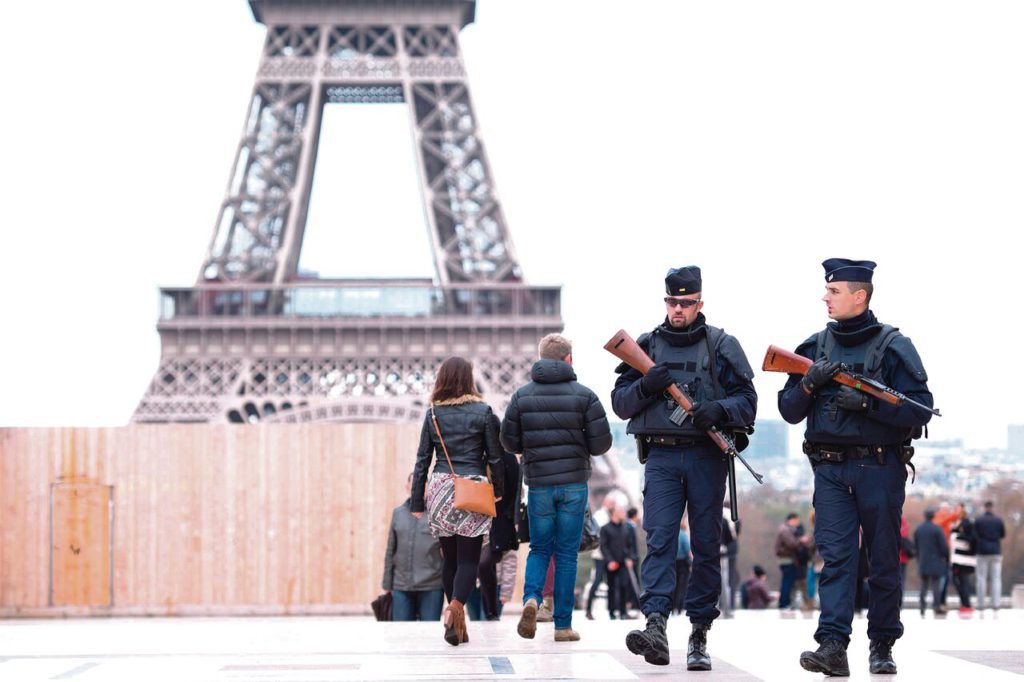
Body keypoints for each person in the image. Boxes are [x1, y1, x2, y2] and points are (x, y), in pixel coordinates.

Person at [777, 258, 934, 676]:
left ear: (859, 295)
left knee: (882, 560)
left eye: (834, 291)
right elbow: (789, 410)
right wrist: (809, 383)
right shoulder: (813, 347)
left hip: (879, 468)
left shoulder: (894, 346)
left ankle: (882, 645)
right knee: (836, 560)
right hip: (829, 469)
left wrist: (868, 405)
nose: (825, 297)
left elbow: (919, 410)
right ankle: (832, 644)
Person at [612, 265, 757, 671]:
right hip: (660, 456)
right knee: (659, 538)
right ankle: (655, 623)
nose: (678, 309)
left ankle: (699, 632)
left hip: (705, 457)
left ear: (699, 303)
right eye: (672, 302)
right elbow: (621, 404)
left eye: (686, 302)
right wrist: (646, 386)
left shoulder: (721, 346)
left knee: (706, 546)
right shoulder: (647, 346)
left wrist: (718, 409)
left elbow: (749, 402)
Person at [502, 333, 612, 643]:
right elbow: (602, 443)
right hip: (574, 485)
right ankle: (563, 625)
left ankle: (532, 599)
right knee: (566, 555)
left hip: (539, 486)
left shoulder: (521, 396)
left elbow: (508, 441)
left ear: (540, 359)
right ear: (568, 359)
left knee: (539, 548)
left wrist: (531, 445)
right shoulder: (585, 396)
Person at [411, 356, 506, 646]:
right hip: (472, 488)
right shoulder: (484, 411)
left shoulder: (434, 414)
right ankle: (454, 607)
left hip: (440, 488)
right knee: (469, 559)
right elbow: (495, 456)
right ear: (469, 379)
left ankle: (456, 626)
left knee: (449, 559)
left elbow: (422, 460)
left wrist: (417, 500)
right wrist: (498, 489)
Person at [383, 473, 445, 621]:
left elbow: (448, 552)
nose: (418, 488)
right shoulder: (397, 513)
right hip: (401, 587)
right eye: (414, 484)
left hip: (432, 587)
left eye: (423, 484)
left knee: (429, 635)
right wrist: (387, 583)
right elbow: (391, 550)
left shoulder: (438, 515)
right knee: (402, 636)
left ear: (429, 489)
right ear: (407, 487)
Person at [478, 431, 521, 621]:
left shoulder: (508, 459)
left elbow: (515, 494)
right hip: (479, 526)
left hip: (499, 527)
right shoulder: (476, 458)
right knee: (477, 620)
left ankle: (492, 612)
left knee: (489, 622)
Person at [585, 494, 618, 620]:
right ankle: (588, 609)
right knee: (597, 581)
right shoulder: (600, 515)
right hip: (600, 555)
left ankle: (612, 611)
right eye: (612, 503)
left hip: (609, 555)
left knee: (611, 583)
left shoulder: (610, 515)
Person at [913, 507, 948, 615]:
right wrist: (946, 557)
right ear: (933, 516)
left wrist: (919, 558)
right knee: (935, 585)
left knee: (923, 585)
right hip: (936, 561)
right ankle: (936, 606)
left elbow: (916, 547)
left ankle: (922, 607)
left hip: (923, 561)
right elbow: (943, 546)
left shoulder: (918, 529)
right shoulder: (937, 529)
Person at [600, 505, 633, 620]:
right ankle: (612, 611)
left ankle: (623, 611)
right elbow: (603, 546)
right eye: (621, 512)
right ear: (614, 513)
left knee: (624, 585)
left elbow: (629, 545)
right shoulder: (605, 528)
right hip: (611, 563)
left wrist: (629, 558)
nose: (623, 514)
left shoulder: (625, 528)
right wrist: (610, 561)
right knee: (612, 587)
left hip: (623, 561)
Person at [974, 500, 1006, 610]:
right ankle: (995, 604)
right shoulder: (998, 520)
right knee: (996, 578)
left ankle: (981, 604)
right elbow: (1002, 535)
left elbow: (975, 535)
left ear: (984, 507)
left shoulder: (979, 521)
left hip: (982, 552)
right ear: (992, 508)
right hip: (996, 551)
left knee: (981, 578)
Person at [774, 513, 807, 610]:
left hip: (786, 559)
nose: (797, 523)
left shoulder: (785, 529)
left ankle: (784, 602)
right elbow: (792, 544)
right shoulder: (785, 530)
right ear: (791, 520)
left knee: (787, 581)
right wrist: (801, 541)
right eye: (797, 520)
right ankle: (784, 603)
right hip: (787, 560)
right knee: (787, 582)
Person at [949, 504, 976, 613]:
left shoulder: (967, 523)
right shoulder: (957, 523)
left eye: (958, 509)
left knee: (962, 581)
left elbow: (971, 539)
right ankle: (965, 603)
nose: (956, 511)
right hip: (957, 558)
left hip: (964, 559)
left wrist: (957, 536)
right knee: (957, 581)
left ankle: (966, 604)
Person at [673, 518, 692, 615]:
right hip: (683, 563)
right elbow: (687, 548)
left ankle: (672, 606)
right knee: (682, 585)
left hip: (673, 562)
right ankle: (680, 606)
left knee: (674, 585)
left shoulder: (673, 534)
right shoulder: (683, 535)